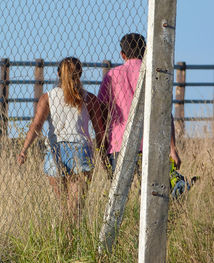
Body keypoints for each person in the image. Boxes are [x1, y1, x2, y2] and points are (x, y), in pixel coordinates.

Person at [17, 57, 105, 223]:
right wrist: (103, 156)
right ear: (81, 73)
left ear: (58, 74)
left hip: (55, 152)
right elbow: (100, 131)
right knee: (76, 212)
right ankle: (73, 244)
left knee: (64, 210)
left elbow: (36, 126)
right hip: (81, 151)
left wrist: (24, 150)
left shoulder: (48, 98)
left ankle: (63, 245)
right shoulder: (90, 99)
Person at [97, 33, 181, 177]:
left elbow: (101, 111)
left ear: (122, 54)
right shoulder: (153, 74)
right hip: (150, 142)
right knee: (149, 191)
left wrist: (102, 144)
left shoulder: (112, 75)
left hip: (118, 141)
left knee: (120, 193)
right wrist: (172, 148)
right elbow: (165, 113)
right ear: (145, 50)